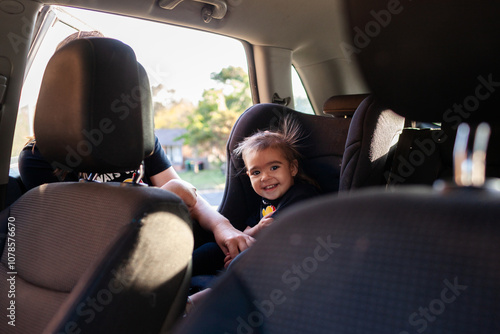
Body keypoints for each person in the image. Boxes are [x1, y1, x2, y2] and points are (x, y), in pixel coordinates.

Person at [18, 30, 255, 264]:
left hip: (159, 244)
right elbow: (78, 236)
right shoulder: (40, 156)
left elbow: (189, 198)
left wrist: (223, 227)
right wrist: (160, 198)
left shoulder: (139, 140)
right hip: (104, 264)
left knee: (229, 250)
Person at [187, 115, 321, 310]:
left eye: (274, 167)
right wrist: (240, 242)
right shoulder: (263, 201)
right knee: (211, 249)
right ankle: (175, 277)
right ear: (248, 175)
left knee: (246, 262)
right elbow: (248, 231)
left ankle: (195, 303)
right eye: (256, 173)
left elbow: (272, 232)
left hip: (288, 261)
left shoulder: (301, 194)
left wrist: (248, 242)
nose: (265, 177)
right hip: (254, 253)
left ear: (292, 168)